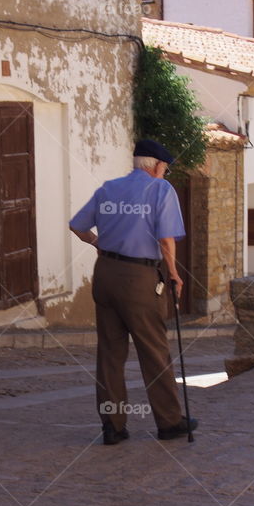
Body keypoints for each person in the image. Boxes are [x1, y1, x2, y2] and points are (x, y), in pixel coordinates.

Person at [69, 139, 198, 445]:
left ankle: (112, 426)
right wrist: (175, 275)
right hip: (139, 277)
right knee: (153, 349)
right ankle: (169, 422)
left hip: (106, 275)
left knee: (110, 353)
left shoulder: (109, 189)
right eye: (164, 168)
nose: (164, 174)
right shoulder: (160, 190)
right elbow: (166, 241)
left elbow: (77, 226)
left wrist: (100, 244)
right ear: (156, 166)